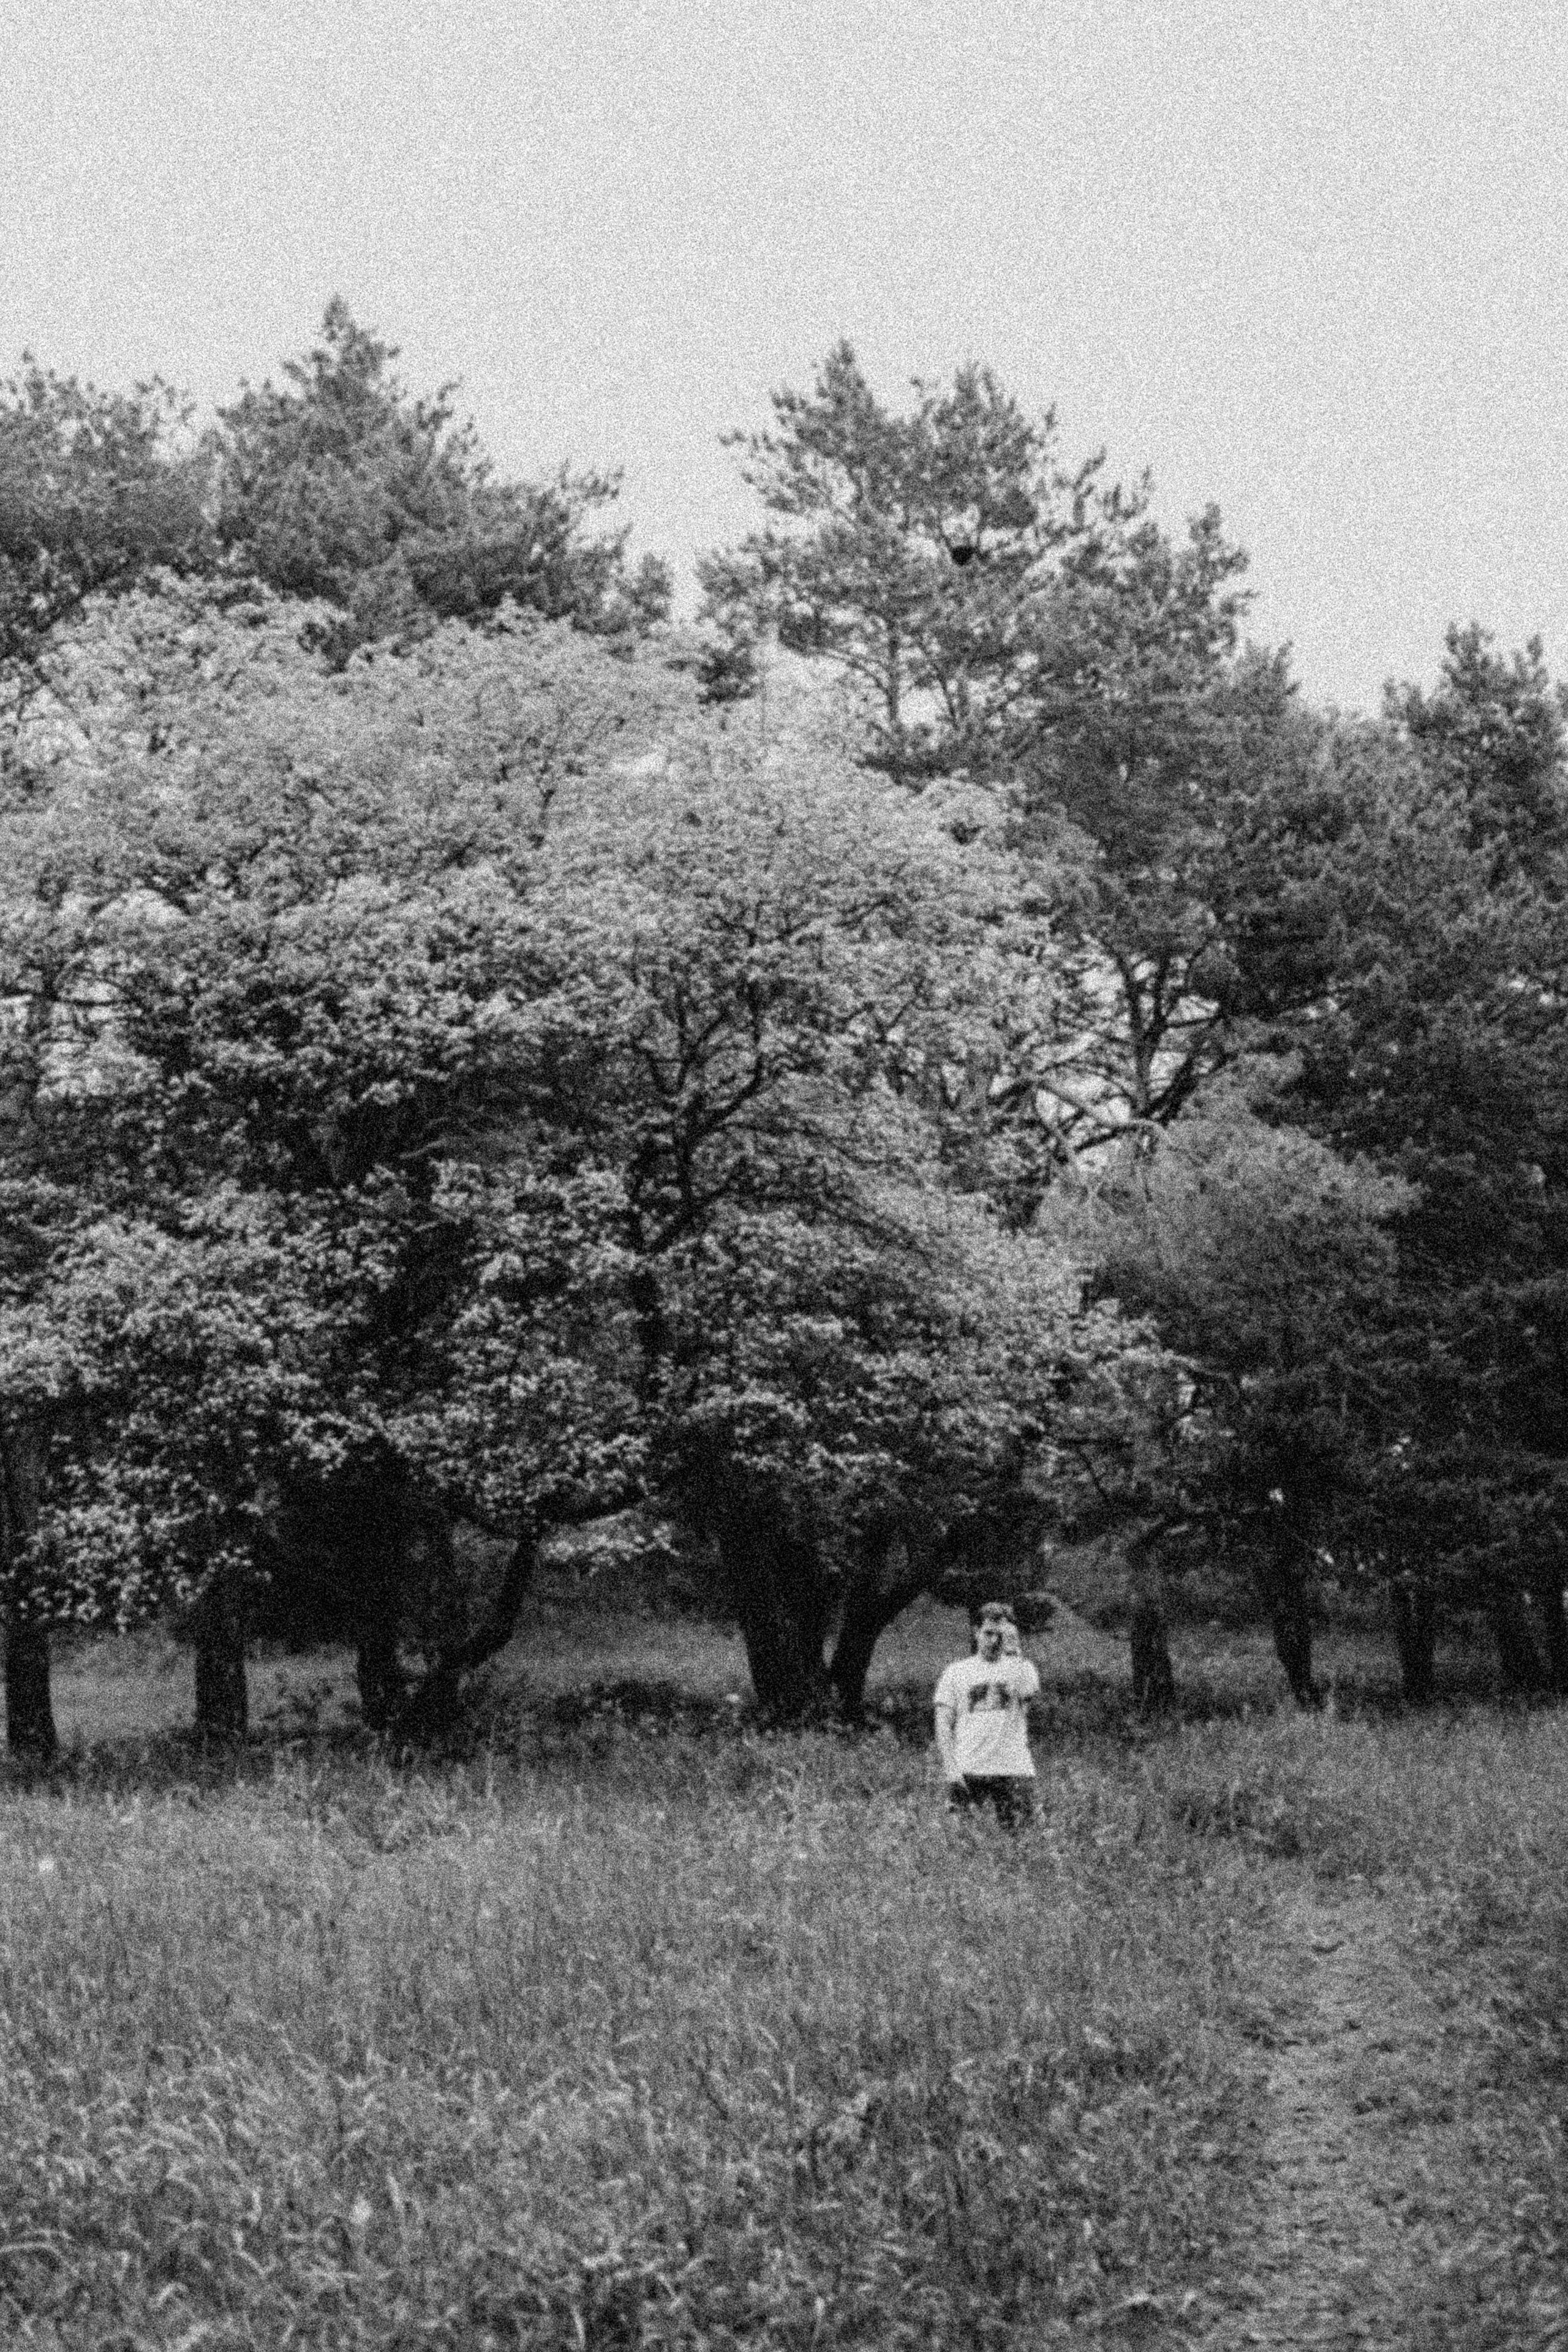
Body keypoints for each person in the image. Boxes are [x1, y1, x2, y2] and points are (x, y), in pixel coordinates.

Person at [933, 1599, 1041, 1825]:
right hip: (970, 1770)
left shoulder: (1023, 1668)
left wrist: (1014, 1653)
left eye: (1000, 1634)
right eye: (989, 1633)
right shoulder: (956, 1672)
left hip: (1014, 1770)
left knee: (1023, 1843)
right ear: (976, 1631)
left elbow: (1027, 1697)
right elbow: (943, 1725)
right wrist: (952, 1770)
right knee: (965, 1845)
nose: (994, 1641)